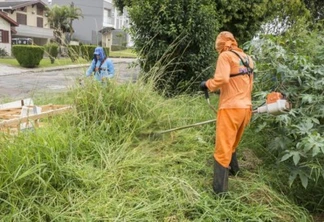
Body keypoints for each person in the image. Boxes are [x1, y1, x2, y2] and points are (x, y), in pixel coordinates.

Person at [200, 31, 254, 194]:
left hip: (230, 109)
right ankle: (235, 171)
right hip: (246, 108)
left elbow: (222, 79)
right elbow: (239, 82)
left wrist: (207, 84)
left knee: (222, 148)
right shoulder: (247, 58)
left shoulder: (225, 56)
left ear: (220, 45)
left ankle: (219, 193)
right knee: (233, 142)